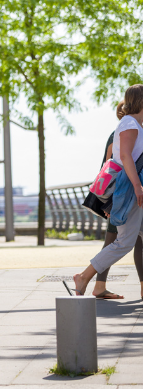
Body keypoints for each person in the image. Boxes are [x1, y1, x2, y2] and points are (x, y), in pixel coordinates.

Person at [75, 84, 143, 297]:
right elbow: (124, 157)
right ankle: (85, 276)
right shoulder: (130, 123)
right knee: (123, 243)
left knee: (125, 240)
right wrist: (137, 186)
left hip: (129, 188)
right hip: (129, 189)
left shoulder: (134, 124)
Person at [91, 102, 143, 299]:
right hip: (122, 193)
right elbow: (110, 168)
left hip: (123, 193)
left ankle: (99, 285)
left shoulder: (123, 132)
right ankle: (97, 284)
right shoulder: (125, 132)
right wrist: (110, 201)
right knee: (116, 241)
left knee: (120, 241)